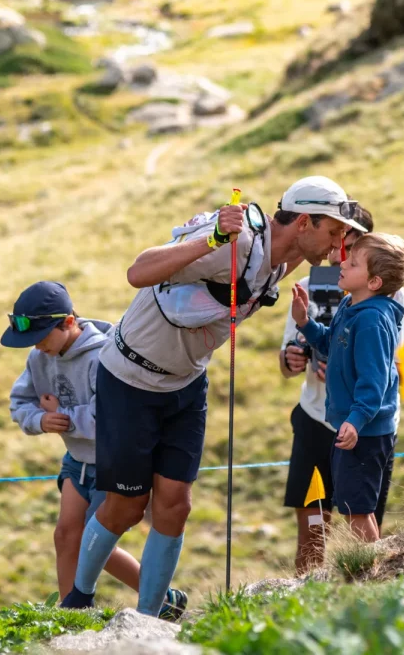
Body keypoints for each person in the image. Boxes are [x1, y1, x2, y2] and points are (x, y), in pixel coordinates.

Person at [60, 176, 366, 616]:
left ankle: (150, 621)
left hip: (186, 384)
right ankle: (78, 600)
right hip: (130, 378)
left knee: (176, 506)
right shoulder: (235, 241)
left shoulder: (291, 260)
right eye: (335, 231)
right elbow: (138, 272)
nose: (340, 244)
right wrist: (214, 237)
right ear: (303, 222)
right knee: (126, 507)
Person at [2, 281, 187, 618]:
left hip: (114, 461)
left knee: (95, 537)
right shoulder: (38, 357)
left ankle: (162, 599)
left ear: (69, 322)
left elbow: (114, 417)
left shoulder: (104, 357)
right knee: (66, 534)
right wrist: (41, 420)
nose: (37, 347)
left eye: (42, 338)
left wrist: (64, 418)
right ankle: (70, 615)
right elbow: (20, 403)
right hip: (78, 461)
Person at [279, 207, 404, 574]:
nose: (341, 261)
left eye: (352, 259)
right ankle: (350, 579)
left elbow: (378, 378)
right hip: (332, 423)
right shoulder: (350, 306)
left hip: (362, 429)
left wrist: (355, 418)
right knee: (334, 514)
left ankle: (375, 577)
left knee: (358, 512)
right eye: (342, 252)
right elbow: (329, 342)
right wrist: (305, 324)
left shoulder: (374, 316)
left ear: (373, 281)